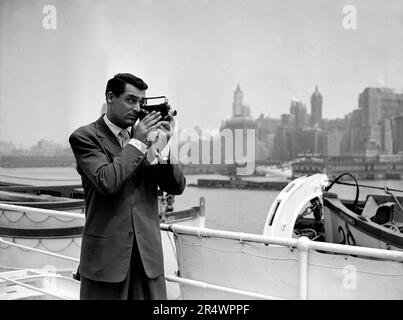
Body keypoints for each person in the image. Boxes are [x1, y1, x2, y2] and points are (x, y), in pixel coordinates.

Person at [69, 73, 186, 300]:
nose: (137, 108)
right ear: (110, 97)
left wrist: (163, 147)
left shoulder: (144, 138)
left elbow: (177, 186)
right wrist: (139, 143)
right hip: (106, 262)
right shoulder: (85, 137)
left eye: (141, 103)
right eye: (130, 100)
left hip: (147, 260)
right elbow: (107, 181)